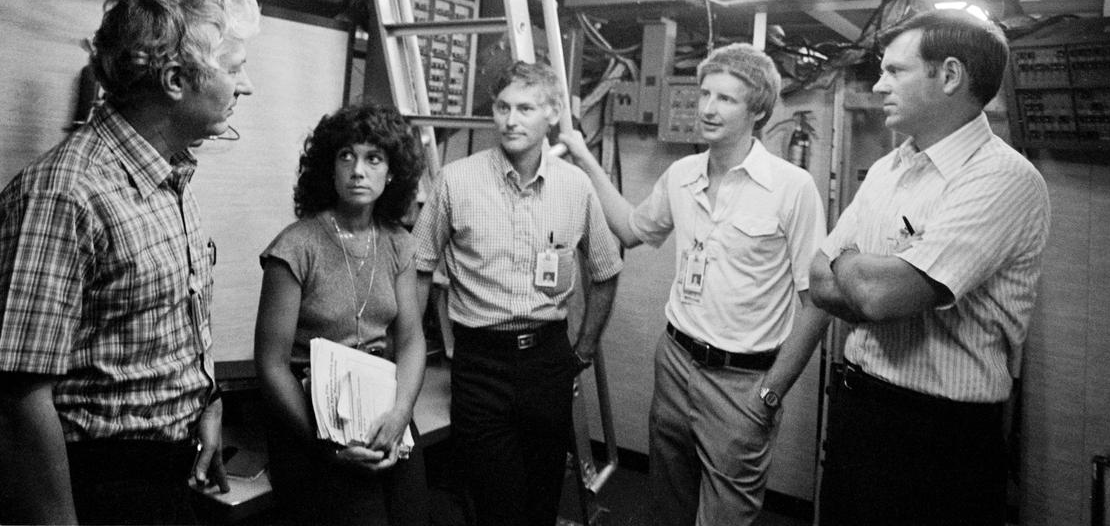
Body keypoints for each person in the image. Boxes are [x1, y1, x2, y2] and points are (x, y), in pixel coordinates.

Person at [0, 0, 260, 524]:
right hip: (96, 488)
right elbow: (14, 403)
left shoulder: (168, 178)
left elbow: (154, 326)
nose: (244, 87)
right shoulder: (62, 193)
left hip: (162, 476)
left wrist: (202, 407)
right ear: (177, 79)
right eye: (234, 69)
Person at [561, 43, 830, 526]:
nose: (707, 107)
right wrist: (582, 154)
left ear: (759, 110)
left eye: (725, 99)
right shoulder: (682, 174)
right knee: (668, 509)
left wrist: (771, 393)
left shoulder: (793, 188)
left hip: (743, 382)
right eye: (704, 94)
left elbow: (819, 304)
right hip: (676, 364)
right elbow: (629, 228)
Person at [808, 9, 1050, 526]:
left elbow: (878, 296)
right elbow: (817, 279)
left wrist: (850, 263)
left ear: (950, 76)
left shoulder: (1005, 178)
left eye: (895, 71)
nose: (878, 84)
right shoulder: (887, 169)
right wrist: (864, 274)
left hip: (939, 439)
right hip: (858, 412)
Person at [413, 60, 623, 526]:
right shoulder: (456, 180)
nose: (511, 119)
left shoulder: (575, 187)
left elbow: (607, 271)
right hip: (479, 363)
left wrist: (582, 351)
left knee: (543, 497)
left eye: (525, 108)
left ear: (553, 114)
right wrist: (421, 345)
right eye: (503, 107)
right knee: (494, 502)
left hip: (548, 360)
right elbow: (419, 267)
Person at [254, 104, 428, 526]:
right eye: (345, 156)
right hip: (310, 421)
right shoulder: (295, 246)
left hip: (382, 409)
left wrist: (402, 410)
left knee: (413, 517)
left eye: (374, 158)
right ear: (328, 169)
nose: (358, 170)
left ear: (392, 173)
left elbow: (410, 340)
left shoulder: (398, 243)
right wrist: (326, 442)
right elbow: (271, 365)